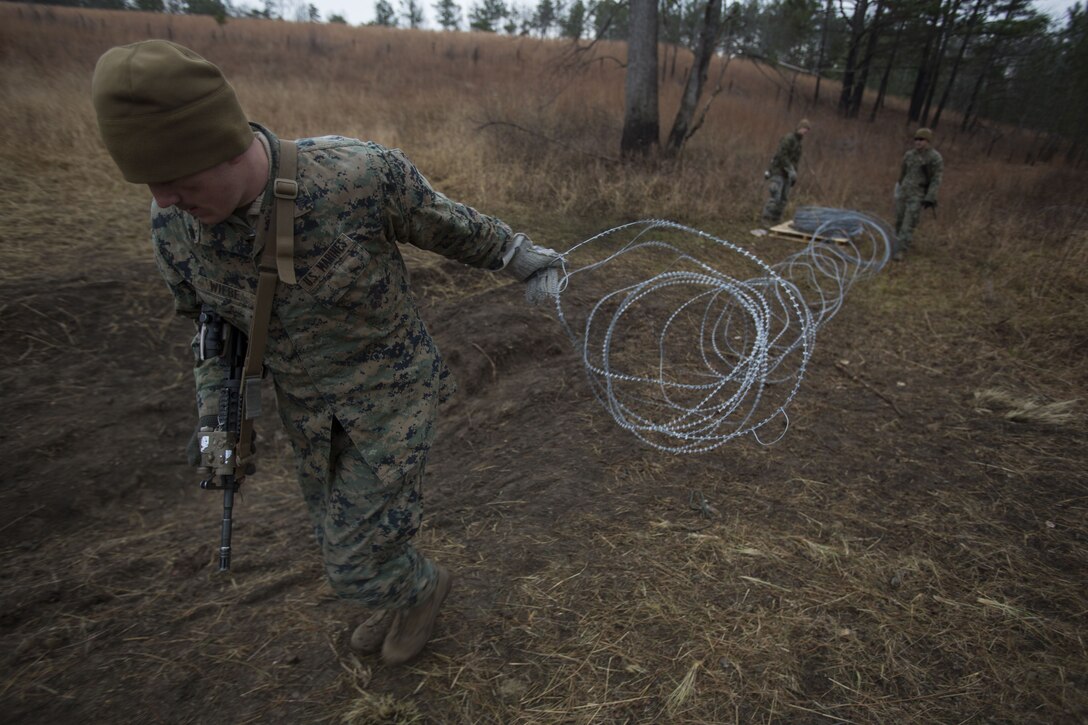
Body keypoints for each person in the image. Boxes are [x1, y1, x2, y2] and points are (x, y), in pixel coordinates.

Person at [91, 40, 561, 665]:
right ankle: (393, 589)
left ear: (222, 146)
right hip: (309, 416)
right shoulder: (173, 228)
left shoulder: (355, 177)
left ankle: (419, 590)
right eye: (151, 185)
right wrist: (217, 419)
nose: (166, 200)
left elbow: (443, 222)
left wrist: (519, 256)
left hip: (393, 400)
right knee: (336, 531)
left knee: (350, 562)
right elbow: (215, 329)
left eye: (177, 182)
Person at [893, 127, 944, 260]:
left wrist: (930, 197)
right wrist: (899, 187)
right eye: (916, 139)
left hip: (917, 194)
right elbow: (903, 172)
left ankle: (901, 250)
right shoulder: (909, 155)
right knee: (899, 219)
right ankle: (895, 243)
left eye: (921, 139)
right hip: (904, 192)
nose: (918, 142)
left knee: (908, 222)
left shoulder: (935, 158)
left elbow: (936, 179)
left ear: (928, 141)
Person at [761, 119, 811, 226]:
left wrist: (794, 175)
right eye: (804, 129)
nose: (805, 132)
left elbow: (795, 161)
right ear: (799, 127)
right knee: (775, 196)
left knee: (784, 199)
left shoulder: (798, 144)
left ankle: (775, 219)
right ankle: (766, 219)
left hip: (787, 175)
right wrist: (789, 168)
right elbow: (781, 155)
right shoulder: (788, 139)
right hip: (778, 171)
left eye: (806, 130)